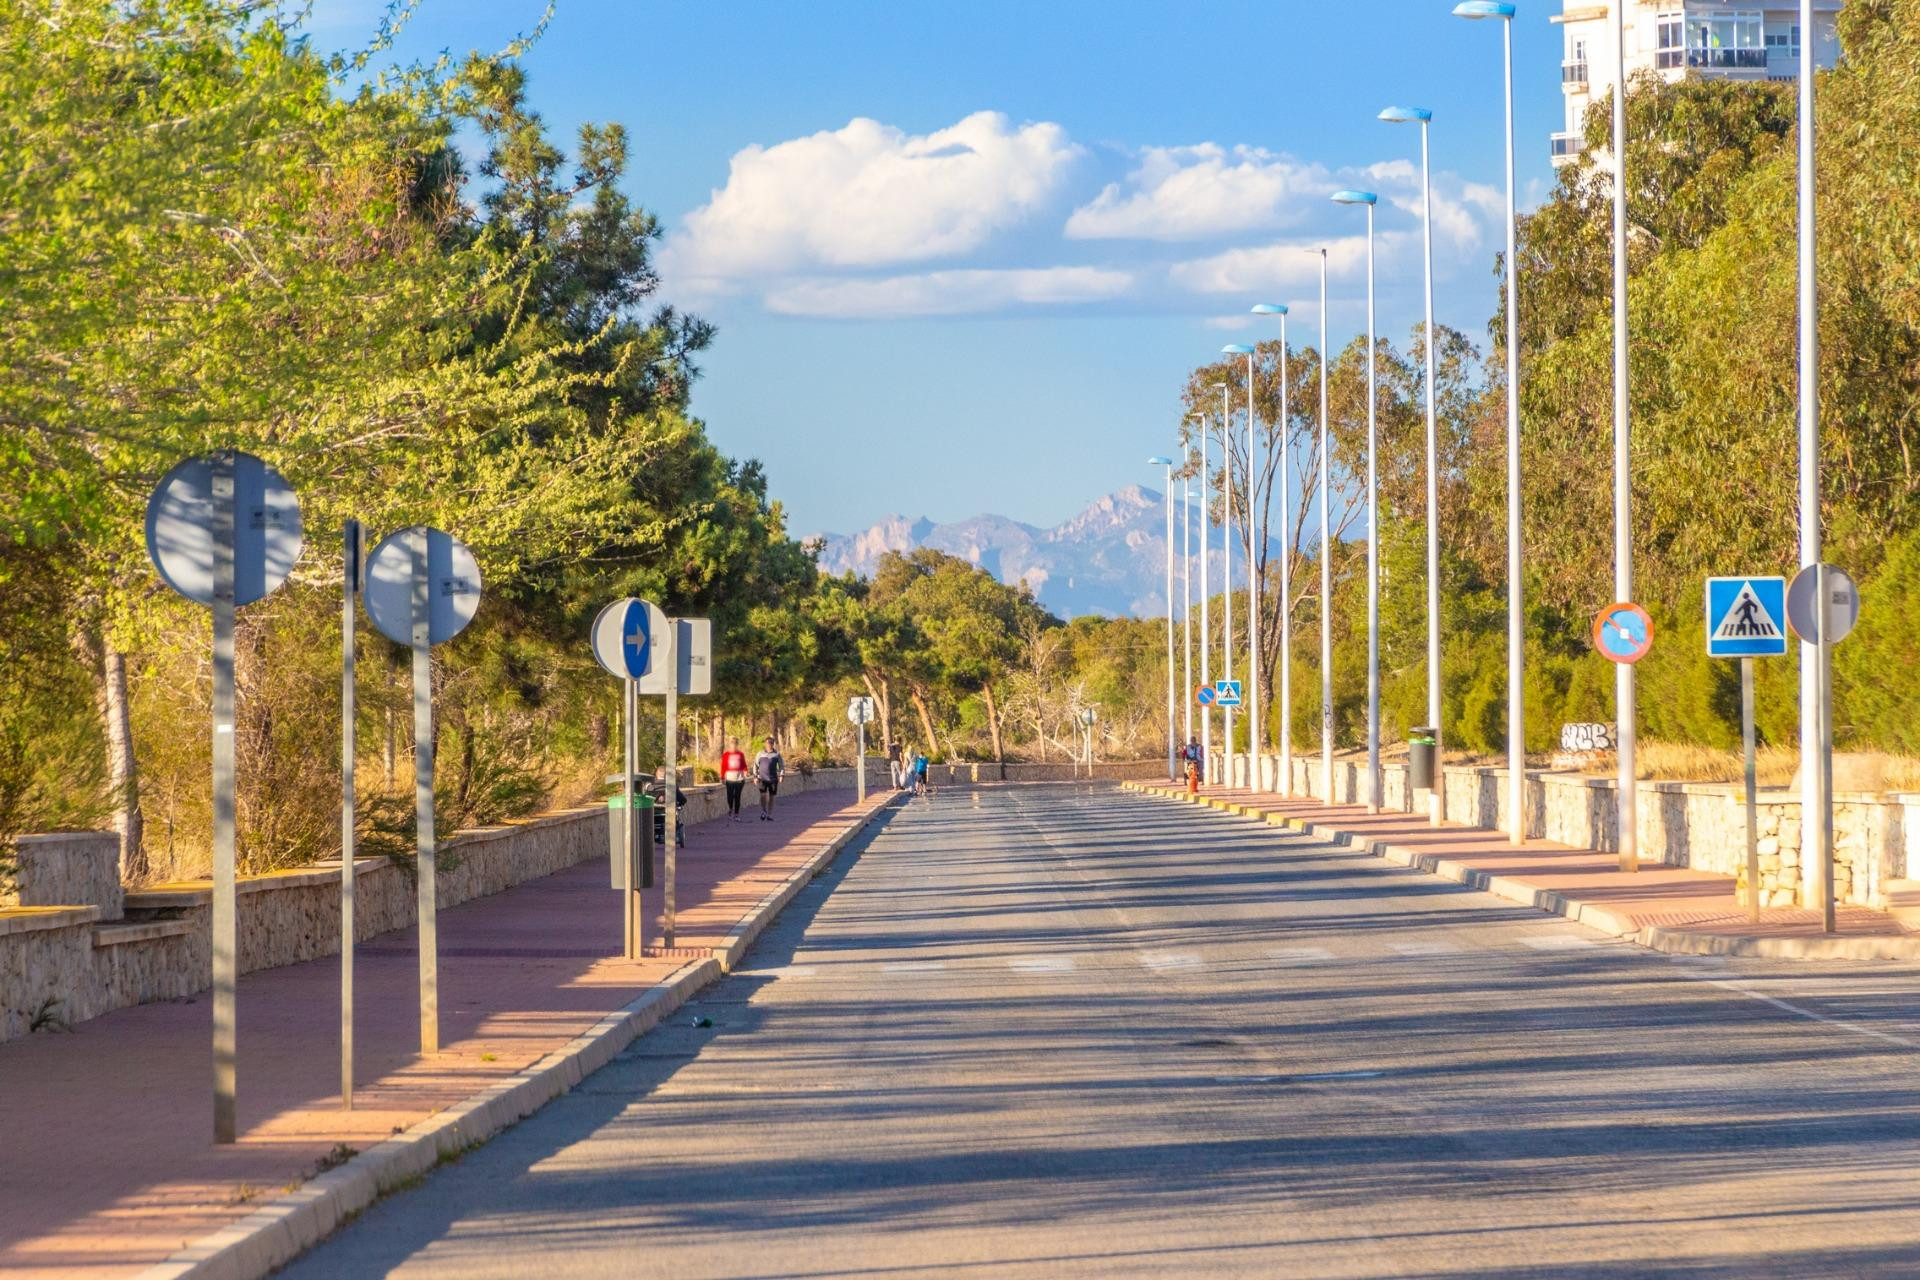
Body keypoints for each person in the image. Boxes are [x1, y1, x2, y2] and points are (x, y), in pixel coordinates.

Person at [754, 736, 785, 821]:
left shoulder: (777, 754)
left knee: (772, 797)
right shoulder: (760, 753)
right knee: (763, 795)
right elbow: (755, 765)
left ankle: (769, 814)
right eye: (767, 742)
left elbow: (781, 766)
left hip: (773, 779)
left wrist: (781, 775)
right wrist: (755, 776)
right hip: (762, 779)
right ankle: (763, 811)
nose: (769, 744)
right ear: (765, 743)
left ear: (773, 744)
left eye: (771, 743)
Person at [720, 737, 749, 822]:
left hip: (739, 778)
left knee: (737, 796)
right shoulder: (726, 755)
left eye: (735, 744)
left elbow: (744, 765)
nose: (733, 746)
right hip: (729, 778)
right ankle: (730, 809)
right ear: (730, 745)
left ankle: (736, 814)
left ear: (737, 745)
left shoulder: (740, 754)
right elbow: (723, 767)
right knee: (730, 796)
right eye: (732, 744)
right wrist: (722, 777)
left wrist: (746, 771)